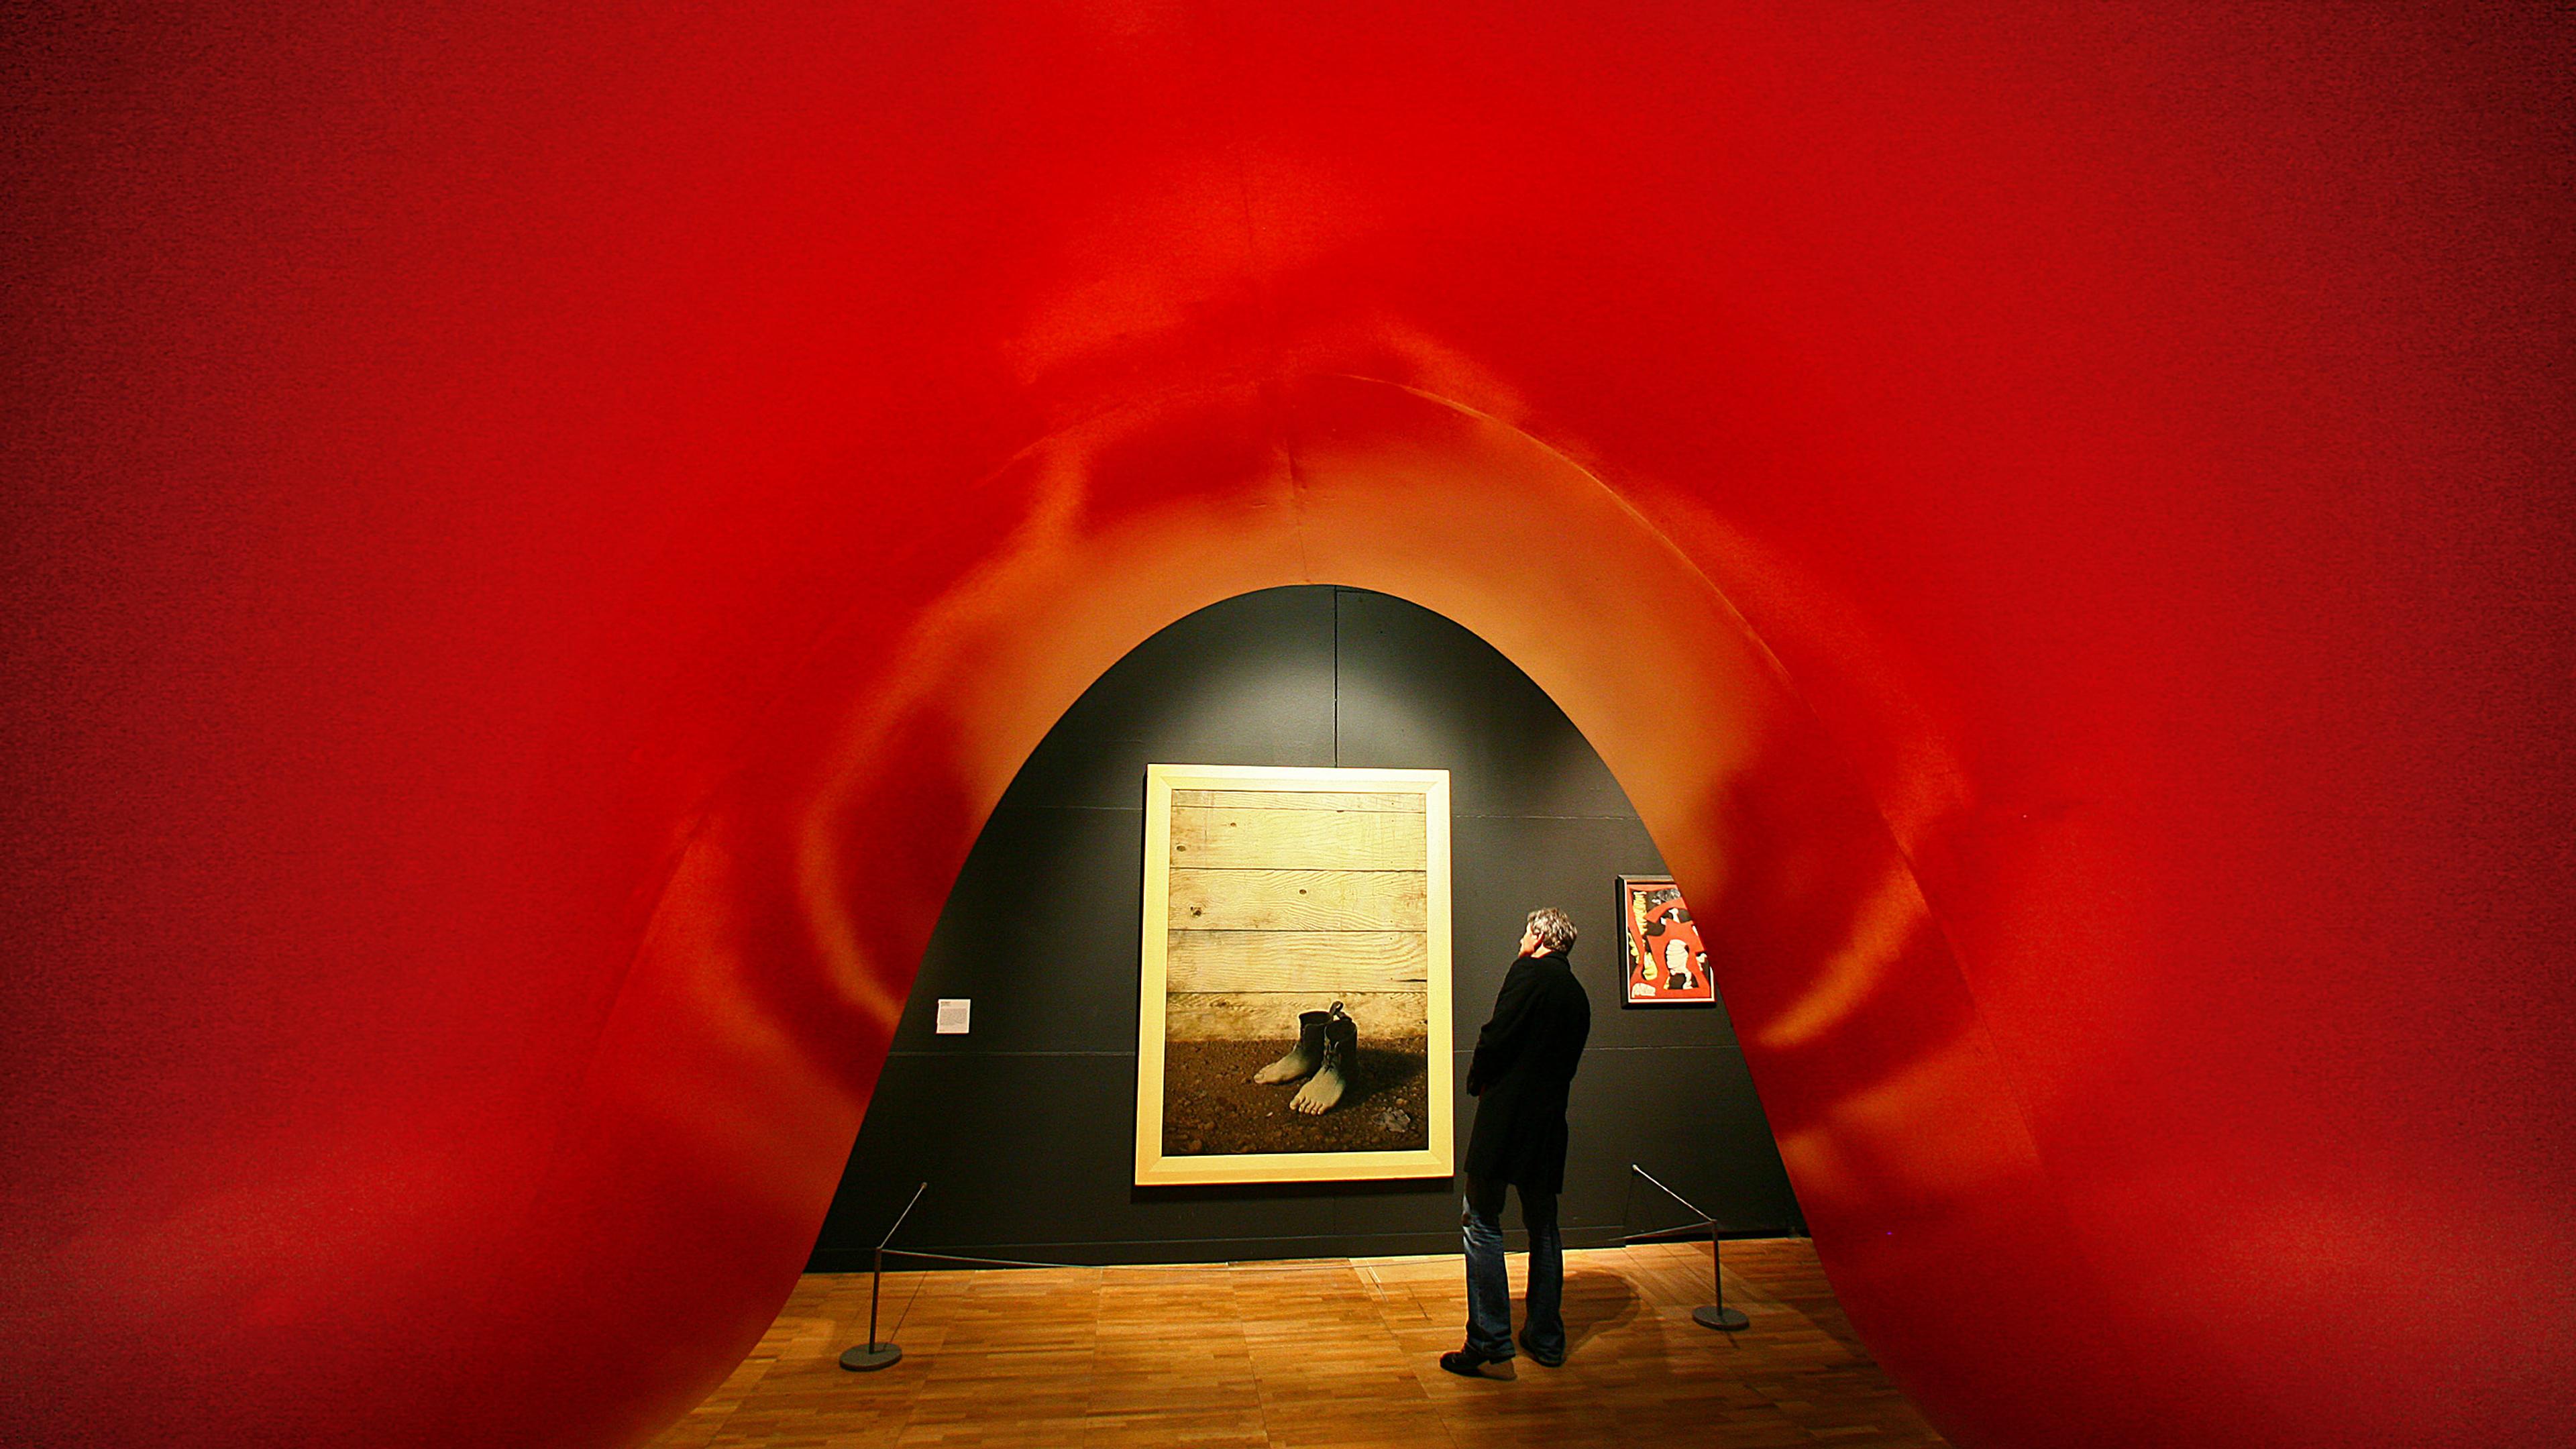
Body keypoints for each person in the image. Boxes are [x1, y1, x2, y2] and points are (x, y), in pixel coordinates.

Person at [1442, 906, 1591, 1379]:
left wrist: (1476, 1078)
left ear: (1541, 937)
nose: (1520, 939)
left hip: (1507, 1118)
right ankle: (1546, 1340)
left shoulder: (1528, 972)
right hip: (1548, 1124)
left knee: (1481, 1219)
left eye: (1526, 931)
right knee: (1544, 1227)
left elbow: (1497, 1034)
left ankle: (1489, 1341)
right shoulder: (1577, 995)